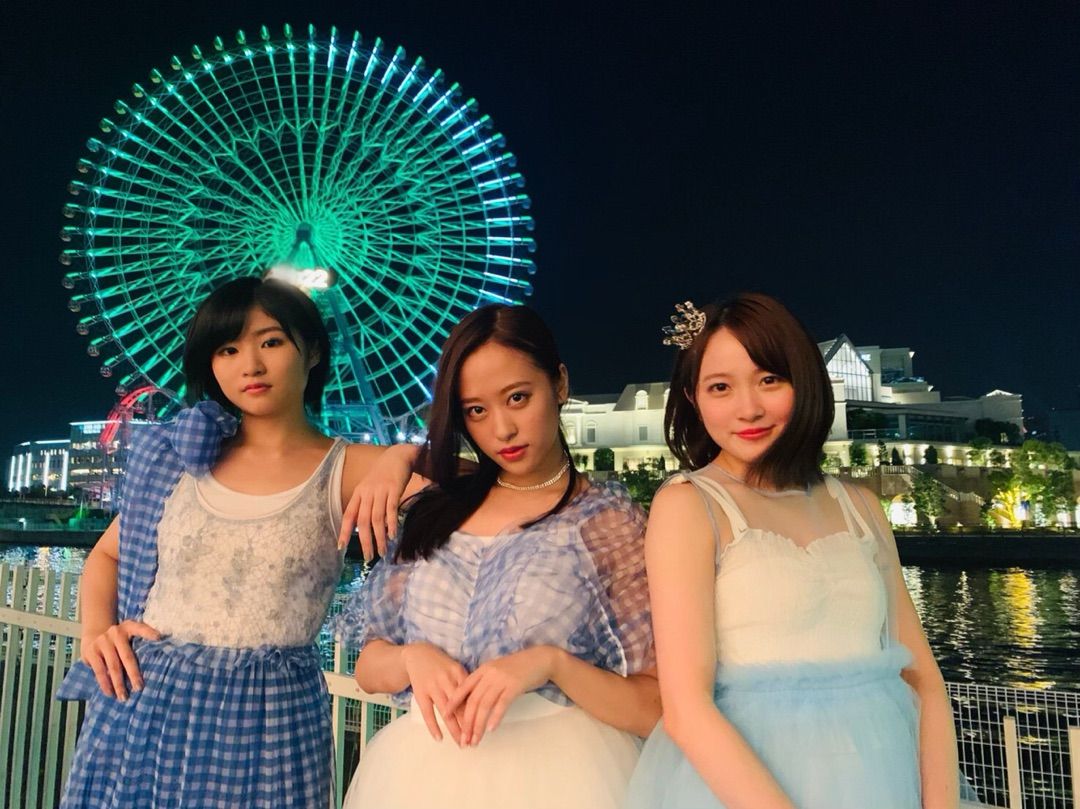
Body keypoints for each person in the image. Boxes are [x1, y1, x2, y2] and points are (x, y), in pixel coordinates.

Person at [57, 276, 423, 809]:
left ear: (313, 350)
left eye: (271, 342)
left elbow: (486, 486)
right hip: (143, 699)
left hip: (267, 717)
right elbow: (109, 553)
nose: (250, 365)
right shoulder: (182, 460)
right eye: (227, 349)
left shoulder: (349, 468)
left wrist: (403, 456)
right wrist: (96, 633)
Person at [626, 295, 961, 809]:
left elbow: (923, 679)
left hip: (883, 775)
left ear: (804, 382)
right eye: (720, 387)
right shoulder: (689, 505)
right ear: (693, 398)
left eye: (769, 380)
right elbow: (687, 709)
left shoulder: (860, 506)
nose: (749, 408)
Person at [335, 304, 660, 809]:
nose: (502, 429)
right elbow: (369, 668)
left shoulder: (606, 521)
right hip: (421, 778)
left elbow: (653, 705)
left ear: (560, 384)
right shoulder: (433, 508)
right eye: (476, 411)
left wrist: (551, 665)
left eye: (518, 398)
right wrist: (411, 657)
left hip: (563, 780)